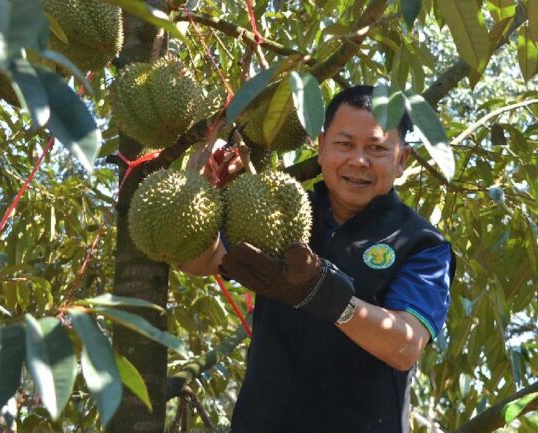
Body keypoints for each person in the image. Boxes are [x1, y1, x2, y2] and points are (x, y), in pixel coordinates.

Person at [179, 85, 455, 433]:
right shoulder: (283, 208)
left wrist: (326, 296)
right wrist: (205, 199)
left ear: (402, 160)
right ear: (321, 146)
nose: (358, 160)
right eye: (344, 144)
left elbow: (404, 345)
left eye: (377, 149)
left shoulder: (421, 244)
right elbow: (199, 263)